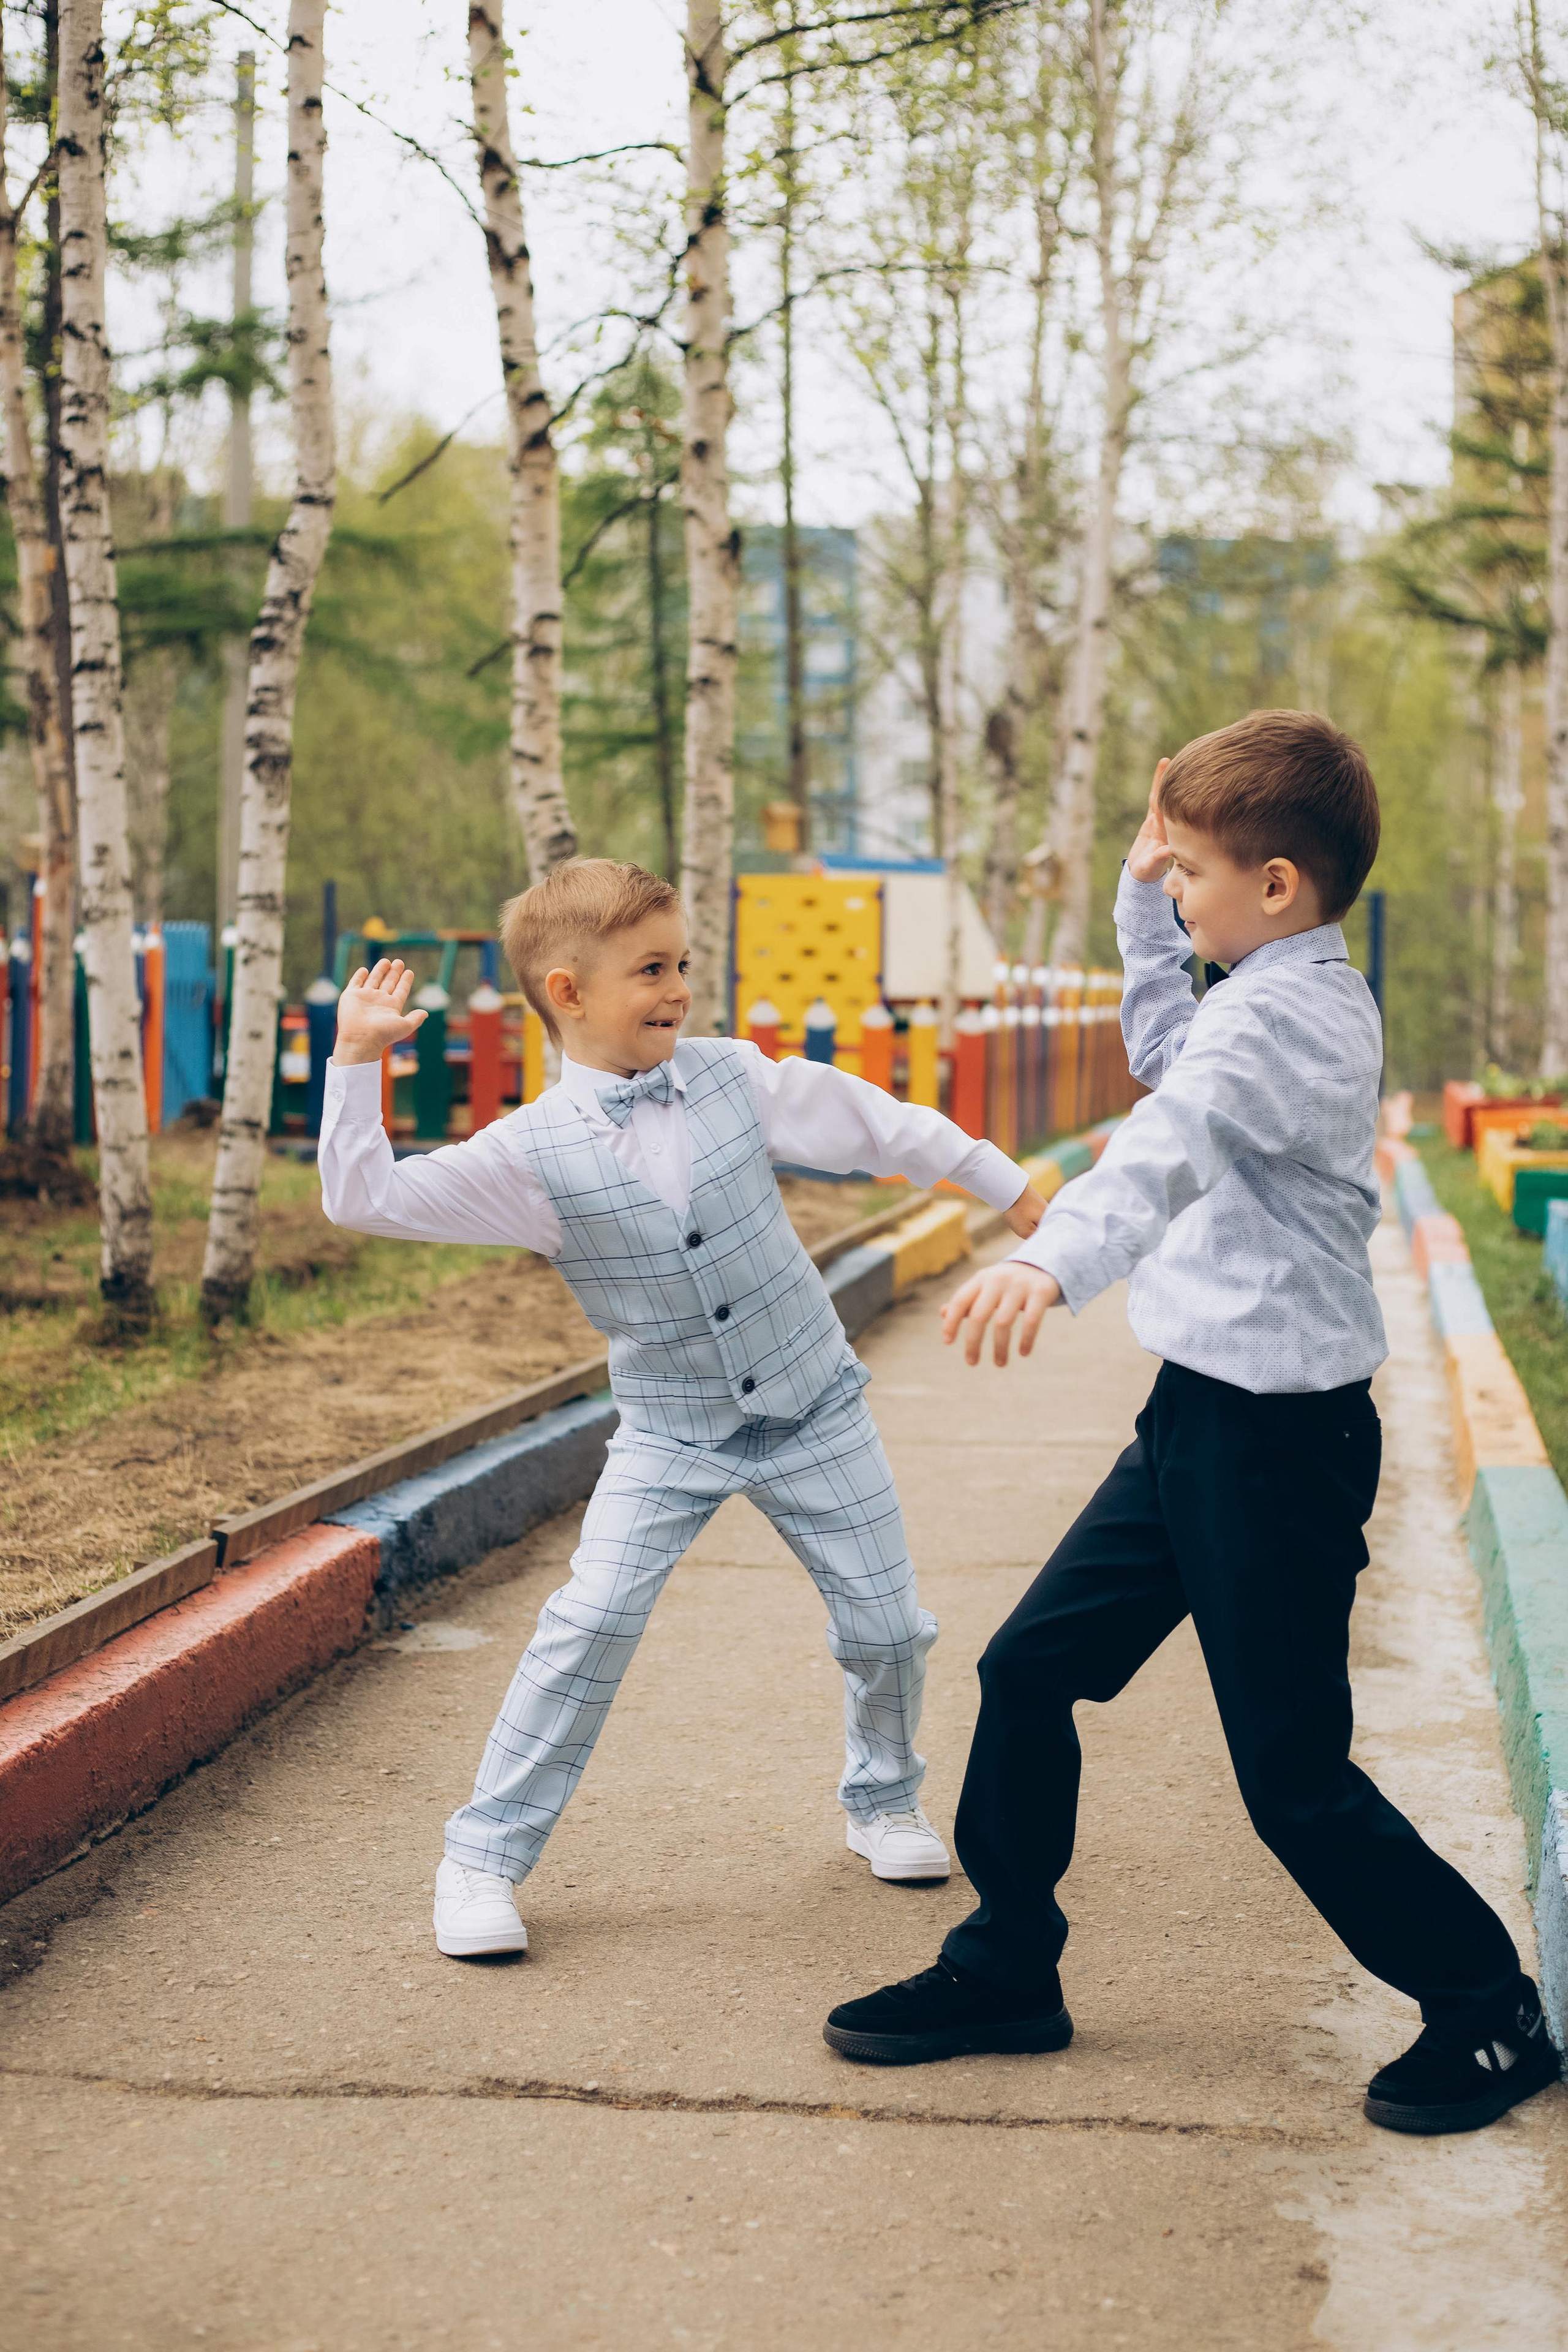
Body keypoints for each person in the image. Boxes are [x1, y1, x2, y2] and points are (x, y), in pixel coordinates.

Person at [822, 709, 1561, 2138]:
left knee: (1289, 1776)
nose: (1174, 894)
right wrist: (1137, 885)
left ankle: (1487, 2012)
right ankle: (1003, 1971)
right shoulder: (1258, 988)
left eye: (1191, 880)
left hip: (1274, 1443)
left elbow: (1167, 1135)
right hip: (1196, 1422)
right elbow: (1170, 1042)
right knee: (1029, 1673)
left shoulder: (1287, 1020)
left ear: (1275, 886)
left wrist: (1051, 1256)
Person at [318, 858, 1046, 1961]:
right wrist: (356, 1063)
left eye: (682, 964)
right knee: (591, 1622)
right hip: (670, 1429)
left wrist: (1009, 1186)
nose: (677, 987)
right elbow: (362, 1197)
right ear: (567, 991)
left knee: (887, 1626)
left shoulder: (731, 1078)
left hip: (813, 1405)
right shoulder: (525, 1156)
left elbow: (877, 1124)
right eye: (650, 969)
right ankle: (482, 1857)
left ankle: (884, 1799)